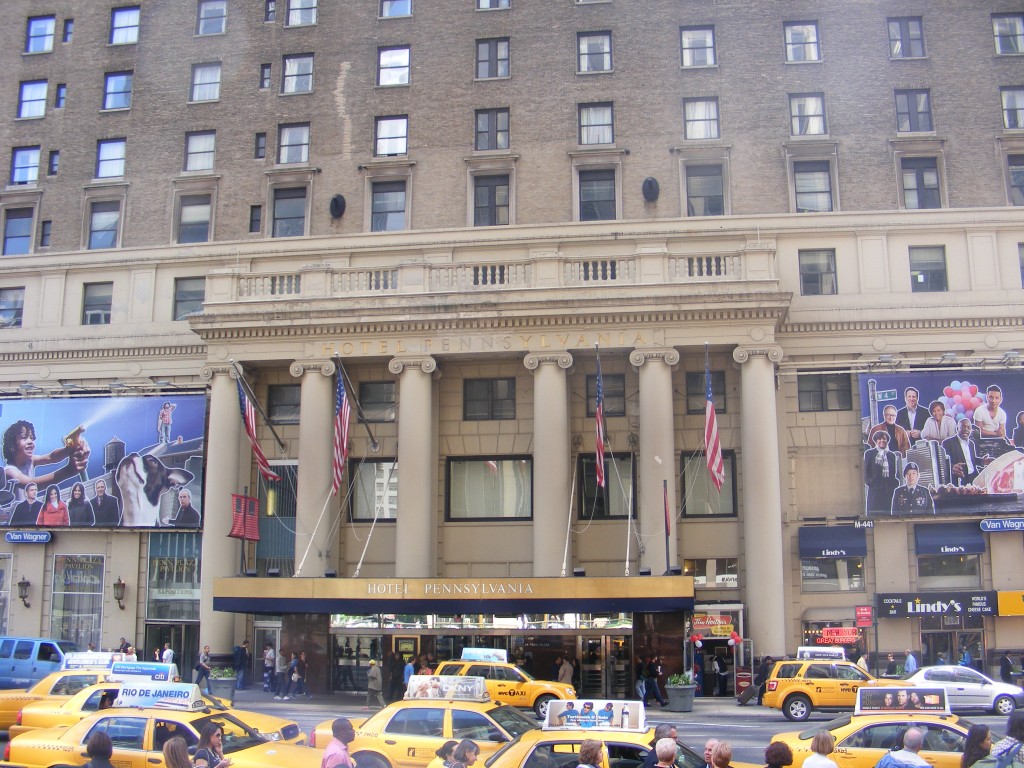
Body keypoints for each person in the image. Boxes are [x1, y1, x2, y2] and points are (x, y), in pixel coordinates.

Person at [2, 419, 90, 501]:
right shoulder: (10, 471)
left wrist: (68, 450)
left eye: (31, 438)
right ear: (12, 446)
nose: (30, 441)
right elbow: (31, 485)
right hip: (16, 512)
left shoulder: (30, 460)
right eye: (24, 438)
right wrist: (68, 471)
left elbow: (51, 457)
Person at [943, 419, 989, 487]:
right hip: (959, 479)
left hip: (973, 477)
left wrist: (982, 461)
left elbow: (971, 460)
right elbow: (943, 463)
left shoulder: (971, 443)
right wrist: (952, 467)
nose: (966, 429)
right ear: (957, 428)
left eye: (968, 427)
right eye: (963, 427)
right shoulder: (948, 443)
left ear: (971, 430)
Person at [864, 432, 900, 515]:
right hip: (875, 490)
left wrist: (893, 485)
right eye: (879, 439)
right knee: (874, 513)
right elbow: (865, 471)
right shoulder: (870, 453)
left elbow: (893, 473)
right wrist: (871, 483)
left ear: (887, 440)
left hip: (888, 491)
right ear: (876, 441)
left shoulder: (891, 455)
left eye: (884, 439)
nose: (882, 440)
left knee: (887, 514)